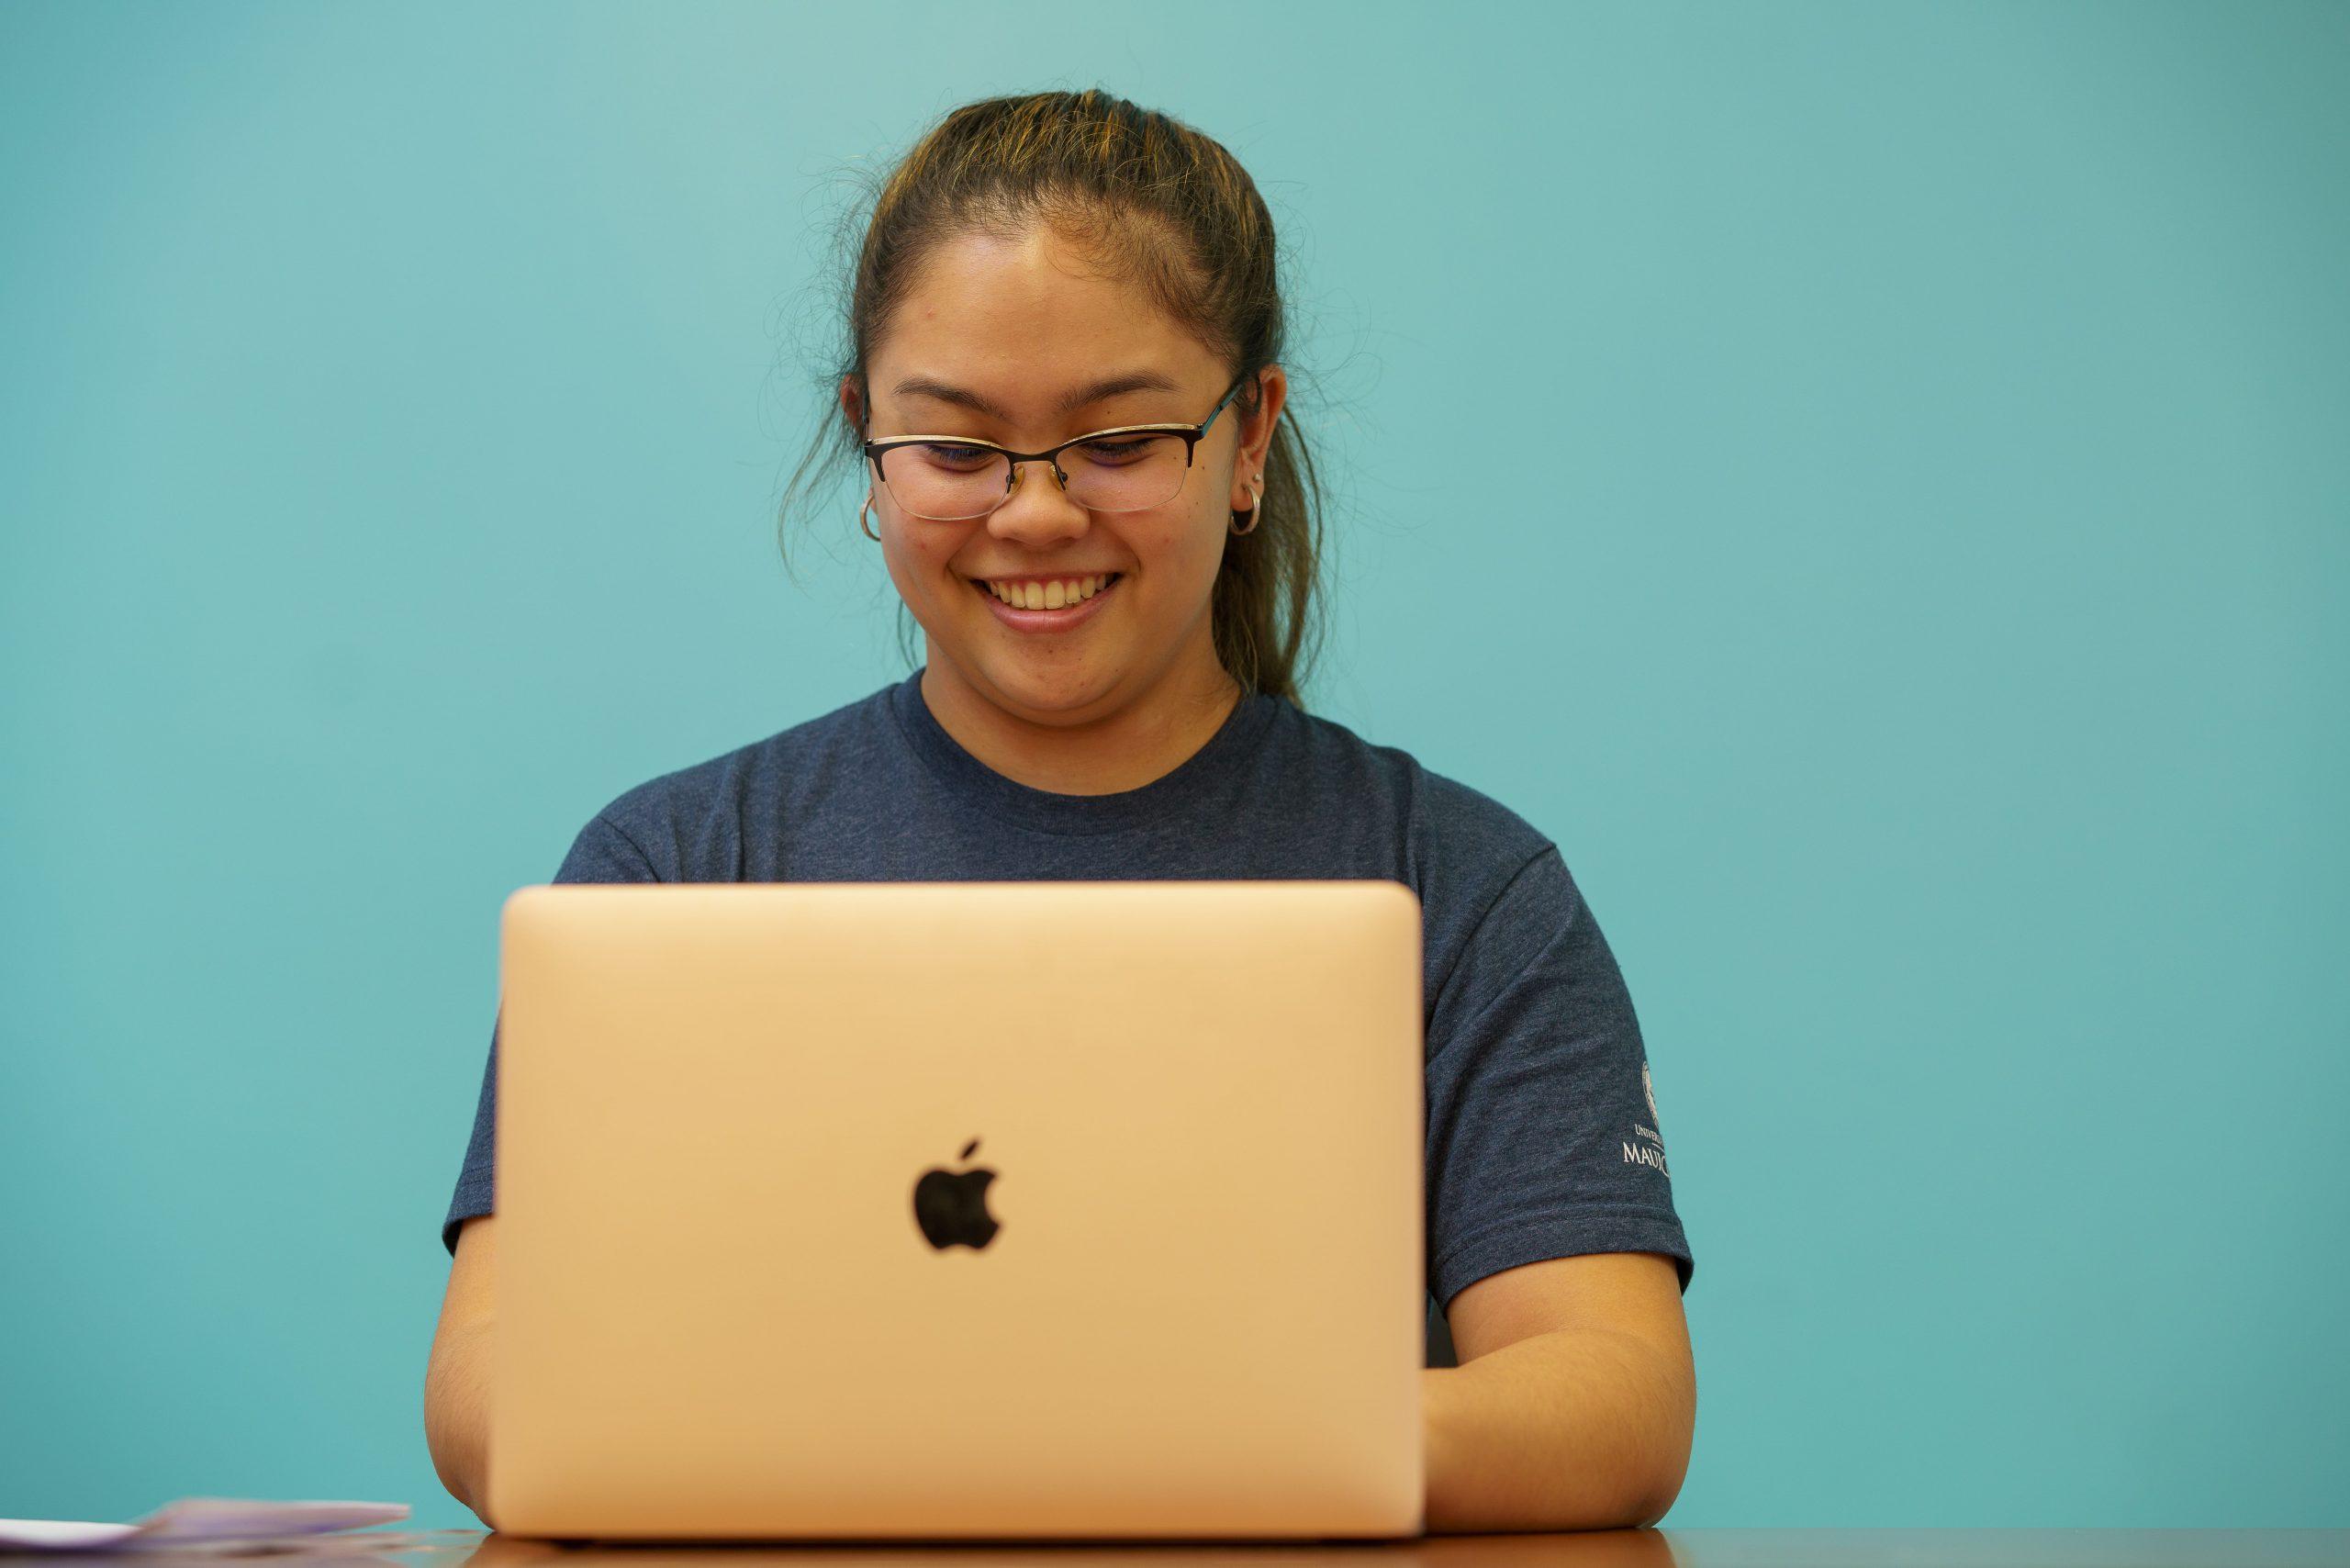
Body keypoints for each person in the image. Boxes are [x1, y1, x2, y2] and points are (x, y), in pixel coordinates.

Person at [423, 87, 1695, 1535]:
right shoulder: (669, 876)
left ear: (1251, 438)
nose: (1033, 514)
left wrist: (1179, 1438)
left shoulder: (1460, 888)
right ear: (867, 446)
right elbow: (487, 1391)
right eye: (957, 450)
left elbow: (1614, 1397)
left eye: (1120, 439)